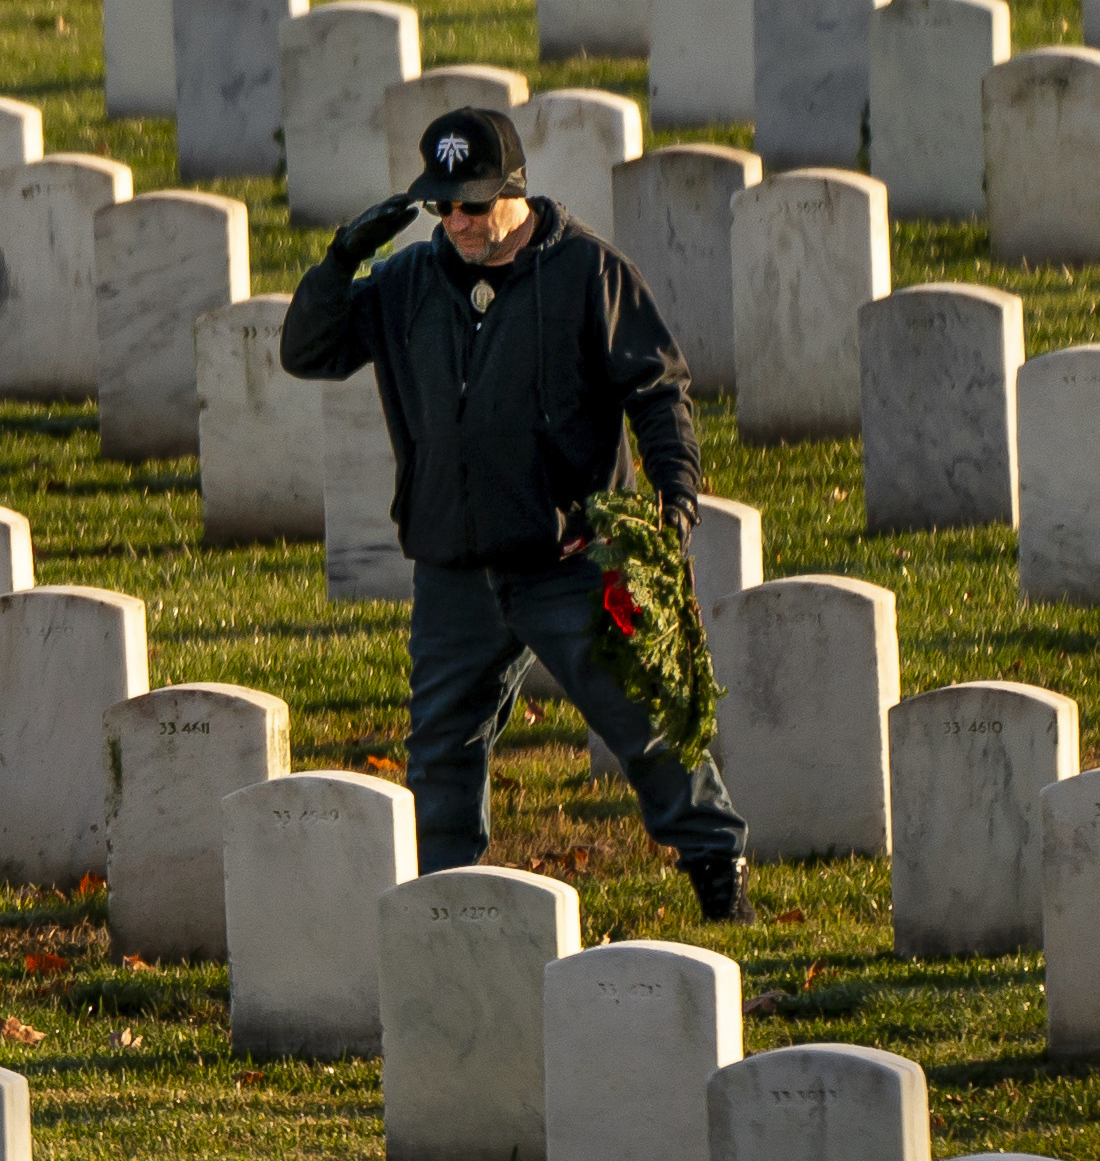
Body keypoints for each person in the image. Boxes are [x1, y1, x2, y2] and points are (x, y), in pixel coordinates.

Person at [281, 104, 753, 921]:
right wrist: (339, 261)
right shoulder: (404, 283)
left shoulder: (587, 273)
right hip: (452, 564)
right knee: (440, 749)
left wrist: (674, 496)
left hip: (568, 560)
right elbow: (306, 352)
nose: (456, 221)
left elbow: (656, 389)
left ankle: (718, 873)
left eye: (471, 203)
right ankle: (446, 905)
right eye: (439, 204)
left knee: (641, 719)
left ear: (513, 190)